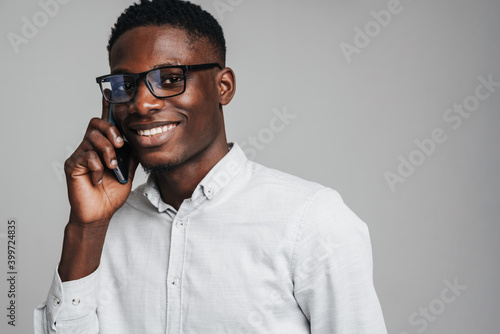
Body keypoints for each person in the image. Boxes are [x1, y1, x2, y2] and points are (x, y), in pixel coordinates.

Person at [34, 0, 387, 333]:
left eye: (170, 79)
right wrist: (86, 227)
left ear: (223, 86)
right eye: (125, 85)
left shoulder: (311, 221)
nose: (141, 104)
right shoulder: (101, 229)